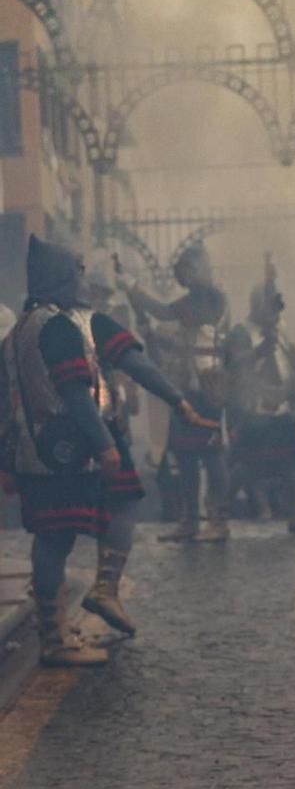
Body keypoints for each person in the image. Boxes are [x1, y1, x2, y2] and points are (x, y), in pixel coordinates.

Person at [0, 236, 213, 663]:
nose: (83, 280)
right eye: (76, 271)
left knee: (57, 533)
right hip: (74, 448)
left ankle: (65, 626)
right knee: (61, 536)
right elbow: (76, 391)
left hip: (31, 451)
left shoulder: (16, 332)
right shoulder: (64, 325)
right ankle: (62, 634)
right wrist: (106, 442)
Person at [124, 241, 234, 543]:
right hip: (188, 386)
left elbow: (164, 312)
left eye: (186, 270)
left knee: (211, 455)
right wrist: (154, 339)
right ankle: (189, 520)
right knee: (185, 454)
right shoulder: (196, 301)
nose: (181, 278)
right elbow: (184, 341)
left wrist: (133, 288)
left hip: (208, 387)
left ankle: (218, 519)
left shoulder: (210, 299)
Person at [229, 264, 295, 534]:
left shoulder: (281, 329)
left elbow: (289, 364)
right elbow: (235, 366)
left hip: (285, 404)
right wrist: (259, 350)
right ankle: (260, 508)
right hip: (256, 406)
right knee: (254, 464)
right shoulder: (241, 332)